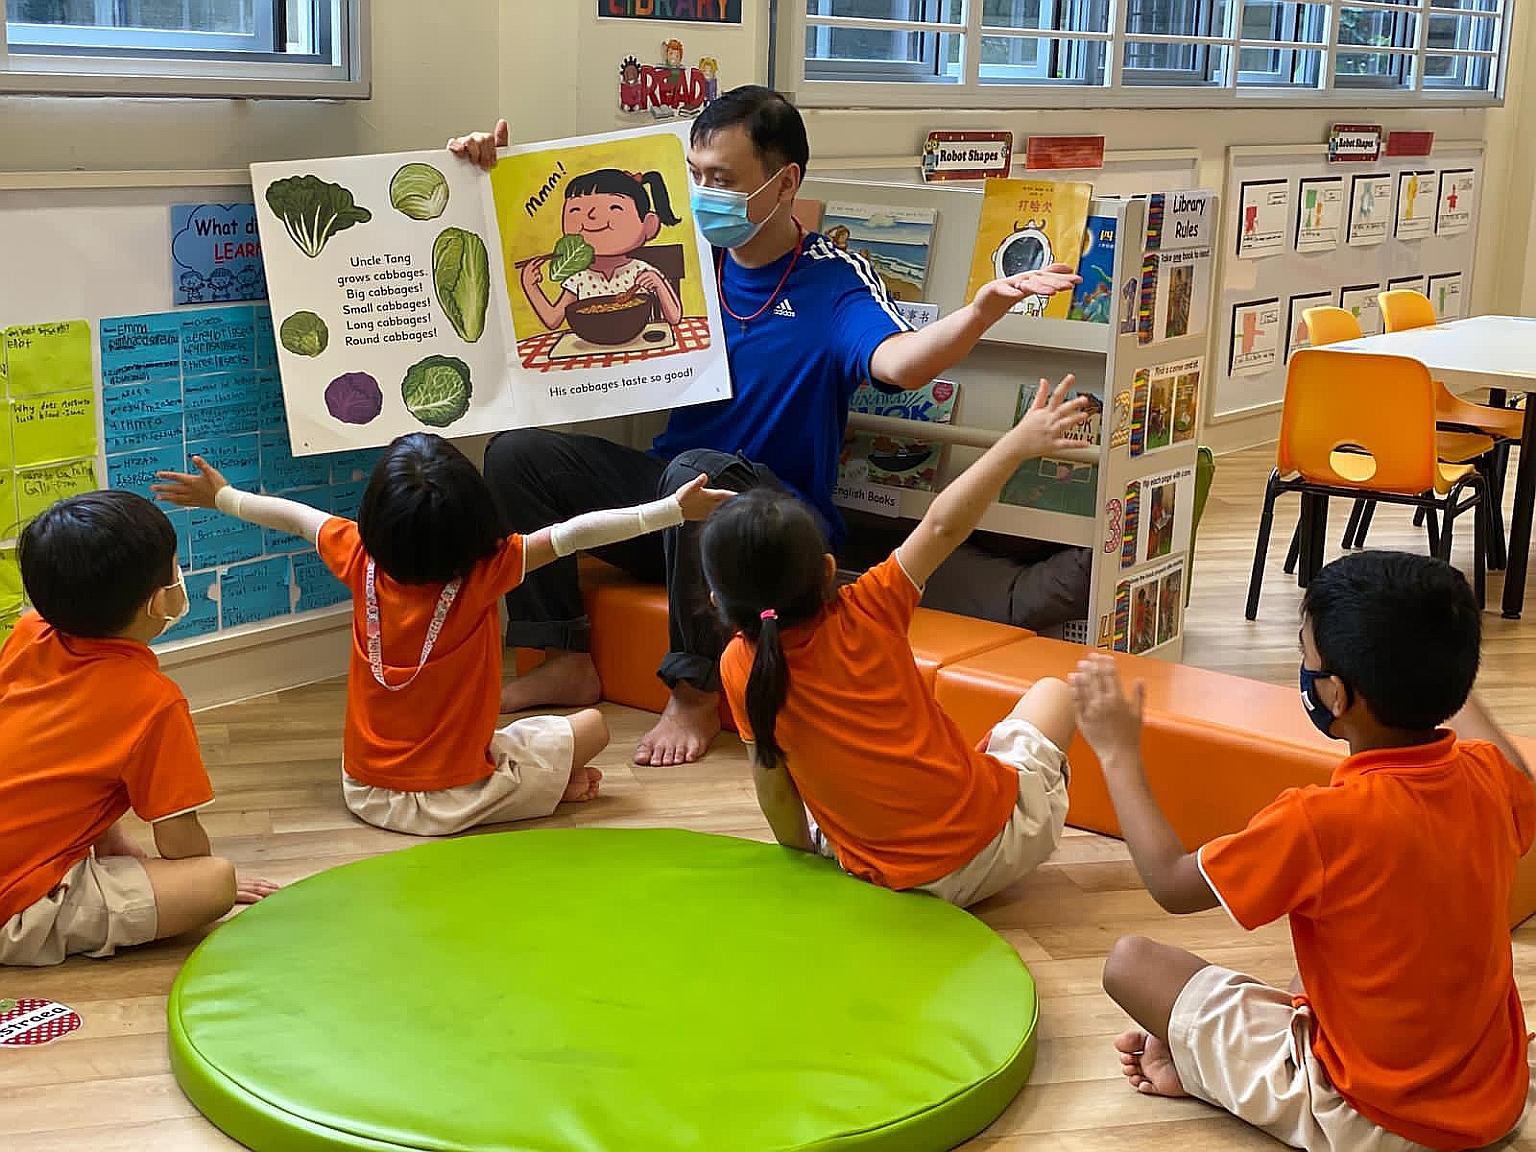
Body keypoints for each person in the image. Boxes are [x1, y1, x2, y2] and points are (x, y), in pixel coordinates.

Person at [450, 88, 1079, 769]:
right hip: (674, 499)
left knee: (699, 469)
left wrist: (980, 312)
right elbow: (562, 251)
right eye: (695, 175)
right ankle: (565, 656)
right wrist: (491, 177)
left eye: (722, 180)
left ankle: (694, 691)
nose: (702, 193)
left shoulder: (831, 279)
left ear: (785, 184)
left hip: (775, 531)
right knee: (517, 456)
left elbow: (900, 364)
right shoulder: (686, 259)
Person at [1070, 550, 1534, 1150]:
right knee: (1315, 955)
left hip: (1380, 1121)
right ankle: (1208, 1056)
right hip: (1496, 1095)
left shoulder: (1318, 822)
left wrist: (1116, 751)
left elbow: (1169, 881)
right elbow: (1508, 760)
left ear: (1336, 695)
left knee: (1131, 964)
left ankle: (1211, 1070)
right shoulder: (1489, 777)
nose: (1303, 667)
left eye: (1306, 657)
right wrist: (1436, 662)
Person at [153, 435, 729, 837]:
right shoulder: (487, 571)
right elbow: (573, 533)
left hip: (366, 792)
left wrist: (221, 497)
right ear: (478, 521)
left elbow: (294, 516)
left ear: (376, 519)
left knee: (530, 740)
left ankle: (544, 788)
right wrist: (669, 511)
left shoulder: (358, 556)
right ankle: (540, 792)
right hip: (458, 794)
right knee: (593, 727)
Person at [699, 378, 1090, 907]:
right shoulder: (869, 606)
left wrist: (807, 868)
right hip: (988, 849)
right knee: (1054, 692)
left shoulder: (739, 666)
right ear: (828, 570)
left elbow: (774, 790)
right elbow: (942, 526)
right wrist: (1017, 443)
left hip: (873, 872)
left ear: (717, 600)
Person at [0, 492, 276, 967]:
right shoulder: (152, 702)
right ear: (156, 603)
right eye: (174, 571)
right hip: (17, 907)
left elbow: (64, 766)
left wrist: (116, 848)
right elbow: (179, 840)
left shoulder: (29, 633)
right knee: (216, 880)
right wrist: (195, 878)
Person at [520, 168, 684, 332]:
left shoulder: (642, 271)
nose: (591, 216)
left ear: (649, 225)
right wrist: (530, 286)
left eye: (614, 208)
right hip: (592, 343)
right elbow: (552, 320)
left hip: (639, 340)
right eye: (575, 210)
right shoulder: (579, 278)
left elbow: (675, 317)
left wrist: (658, 284)